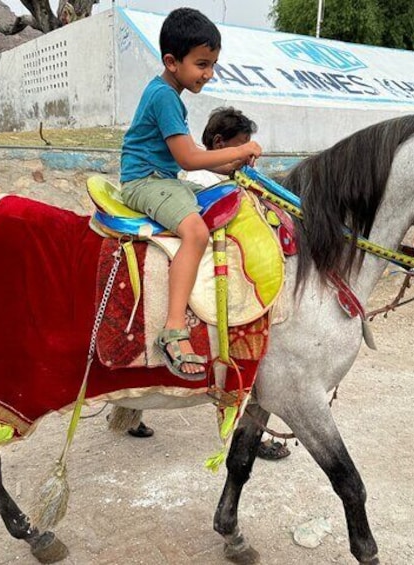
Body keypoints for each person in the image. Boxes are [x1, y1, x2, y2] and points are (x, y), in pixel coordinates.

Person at [129, 107, 290, 461]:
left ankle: (129, 409)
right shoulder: (208, 185)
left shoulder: (207, 176)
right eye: (237, 146)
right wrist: (240, 158)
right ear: (220, 143)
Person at [119, 7, 262, 381]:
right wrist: (238, 151)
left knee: (227, 200)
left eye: (212, 64)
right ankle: (172, 330)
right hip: (146, 181)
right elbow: (188, 157)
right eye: (202, 64)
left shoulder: (170, 94)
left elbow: (192, 159)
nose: (209, 74)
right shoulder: (164, 97)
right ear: (172, 61)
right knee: (196, 232)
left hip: (164, 176)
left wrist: (231, 169)